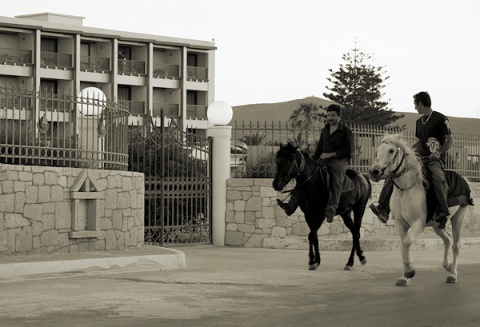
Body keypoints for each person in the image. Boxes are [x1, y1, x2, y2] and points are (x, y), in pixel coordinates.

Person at [370, 91, 453, 229]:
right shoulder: (419, 122)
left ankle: (442, 213)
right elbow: (421, 141)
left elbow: (450, 141)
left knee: (438, 179)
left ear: (421, 103)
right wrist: (409, 151)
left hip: (434, 160)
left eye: (416, 105)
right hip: (420, 159)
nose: (415, 108)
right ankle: (383, 209)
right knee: (394, 173)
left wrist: (439, 153)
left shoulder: (440, 119)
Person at [277, 104, 353, 223]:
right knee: (304, 175)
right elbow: (320, 148)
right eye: (328, 115)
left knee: (336, 179)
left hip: (339, 161)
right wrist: (313, 160)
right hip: (324, 159)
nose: (330, 117)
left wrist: (330, 154)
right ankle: (291, 205)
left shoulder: (346, 131)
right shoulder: (325, 130)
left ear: (339, 116)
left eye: (333, 115)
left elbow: (348, 151)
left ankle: (332, 208)